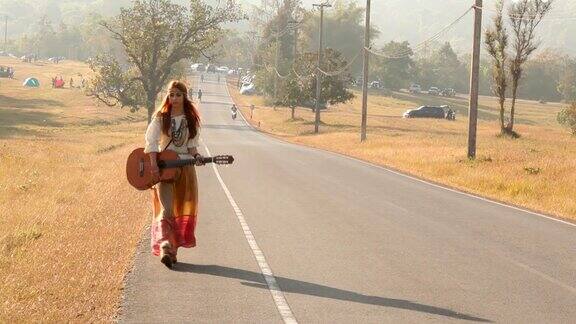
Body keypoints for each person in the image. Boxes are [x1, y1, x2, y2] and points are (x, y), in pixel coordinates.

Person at [143, 80, 204, 269]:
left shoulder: (191, 119)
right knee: (167, 210)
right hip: (165, 168)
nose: (174, 98)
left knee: (179, 212)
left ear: (184, 97)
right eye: (171, 94)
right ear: (167, 96)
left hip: (185, 169)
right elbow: (151, 142)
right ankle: (165, 244)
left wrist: (197, 156)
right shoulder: (161, 117)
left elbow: (192, 146)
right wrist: (153, 164)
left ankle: (171, 253)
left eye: (178, 95)